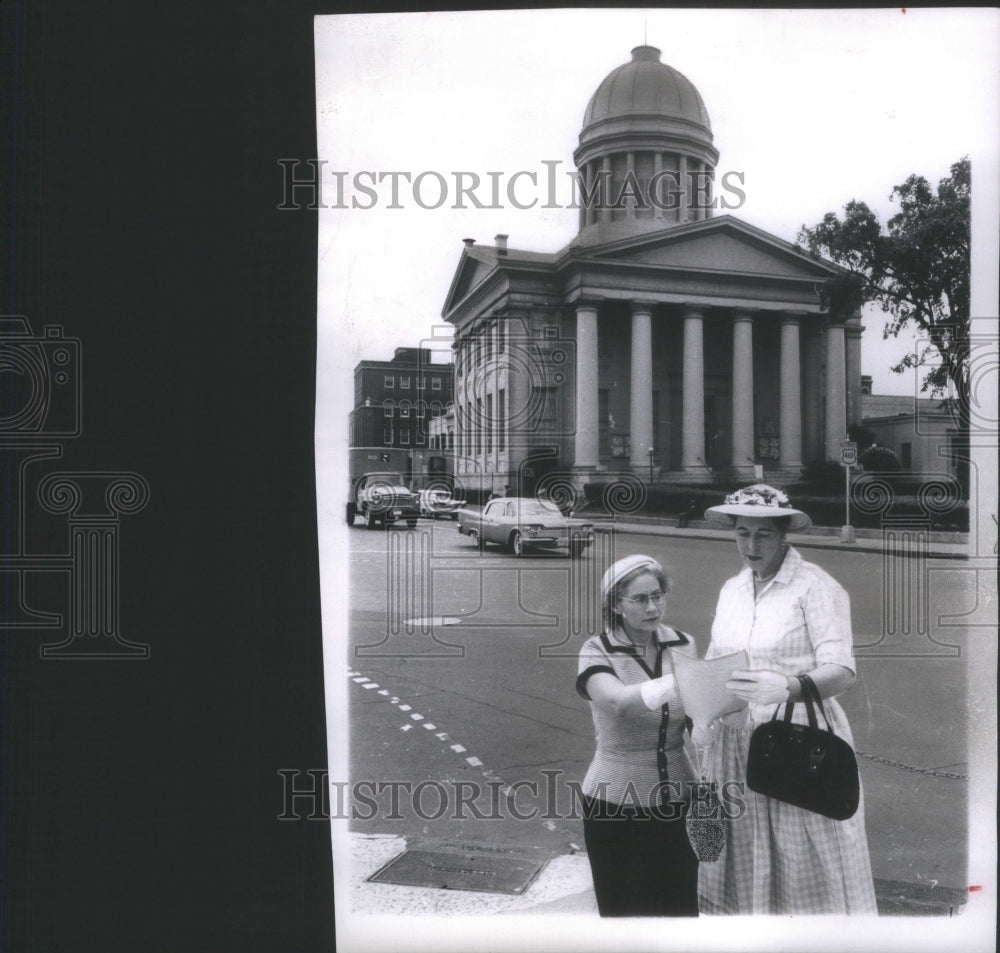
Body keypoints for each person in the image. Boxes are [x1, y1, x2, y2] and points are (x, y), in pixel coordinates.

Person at [696, 484, 877, 915]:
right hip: (736, 739)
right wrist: (702, 711)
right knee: (743, 845)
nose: (751, 545)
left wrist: (789, 687)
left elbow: (842, 670)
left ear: (783, 536)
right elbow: (715, 659)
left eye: (763, 535)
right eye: (742, 533)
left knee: (801, 850)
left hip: (797, 736)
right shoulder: (732, 589)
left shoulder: (816, 587)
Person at [575, 554, 700, 916]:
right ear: (616, 604)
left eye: (658, 595)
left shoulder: (683, 643)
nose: (653, 606)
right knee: (624, 917)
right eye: (640, 599)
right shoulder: (597, 650)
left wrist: (716, 713)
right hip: (615, 805)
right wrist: (685, 680)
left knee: (679, 914)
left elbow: (694, 713)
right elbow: (618, 703)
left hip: (678, 802)